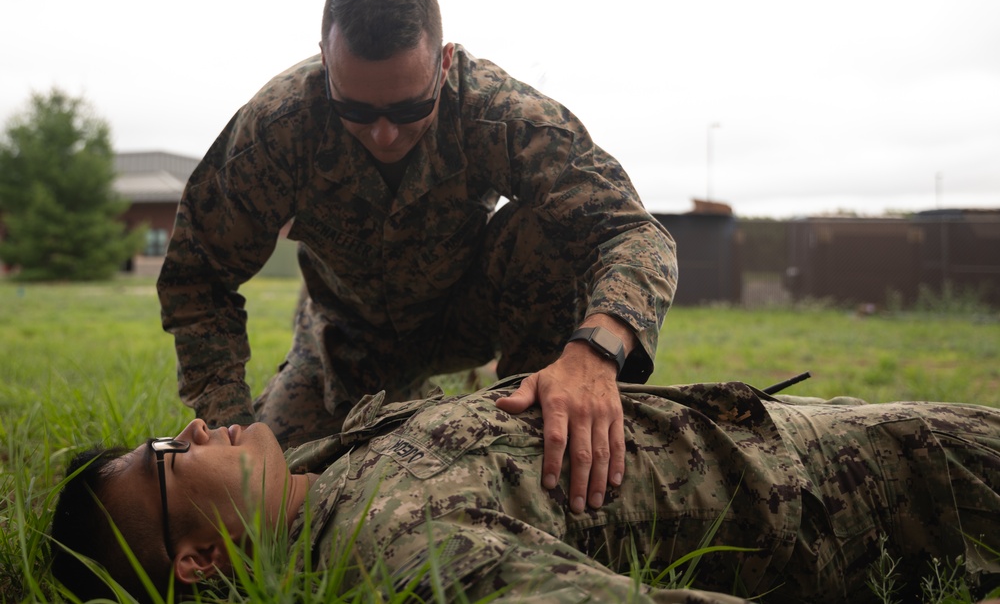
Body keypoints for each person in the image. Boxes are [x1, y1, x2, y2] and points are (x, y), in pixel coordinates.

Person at [155, 0, 677, 515]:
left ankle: (531, 419)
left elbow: (630, 231)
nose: (384, 135)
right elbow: (198, 279)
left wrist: (594, 352)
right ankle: (404, 404)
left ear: (444, 62)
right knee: (273, 490)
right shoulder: (279, 127)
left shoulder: (497, 112)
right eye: (355, 109)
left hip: (463, 315)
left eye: (409, 109)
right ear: (326, 60)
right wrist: (230, 426)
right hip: (345, 340)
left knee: (547, 233)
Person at [51, 375, 1000, 603]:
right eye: (169, 452)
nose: (198, 426)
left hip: (807, 425)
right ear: (197, 558)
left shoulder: (326, 467)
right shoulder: (398, 549)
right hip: (863, 491)